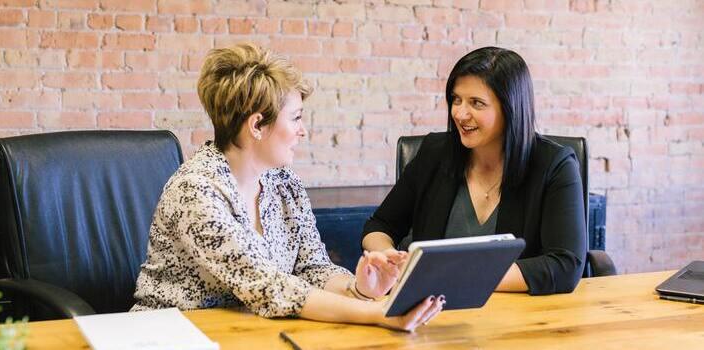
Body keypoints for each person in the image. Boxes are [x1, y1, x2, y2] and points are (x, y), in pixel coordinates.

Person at [131, 43, 443, 331]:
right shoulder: (196, 191)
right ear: (256, 125)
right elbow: (267, 286)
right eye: (295, 118)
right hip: (171, 335)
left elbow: (312, 268)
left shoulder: (284, 183)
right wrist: (378, 313)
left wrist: (359, 289)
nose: (302, 131)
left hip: (251, 332)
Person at [361, 47, 587, 295]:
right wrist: (387, 257)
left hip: (518, 315)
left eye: (476, 103)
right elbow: (380, 225)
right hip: (431, 312)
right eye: (456, 100)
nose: (460, 113)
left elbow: (565, 265)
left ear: (510, 108)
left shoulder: (555, 165)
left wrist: (454, 276)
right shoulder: (434, 153)